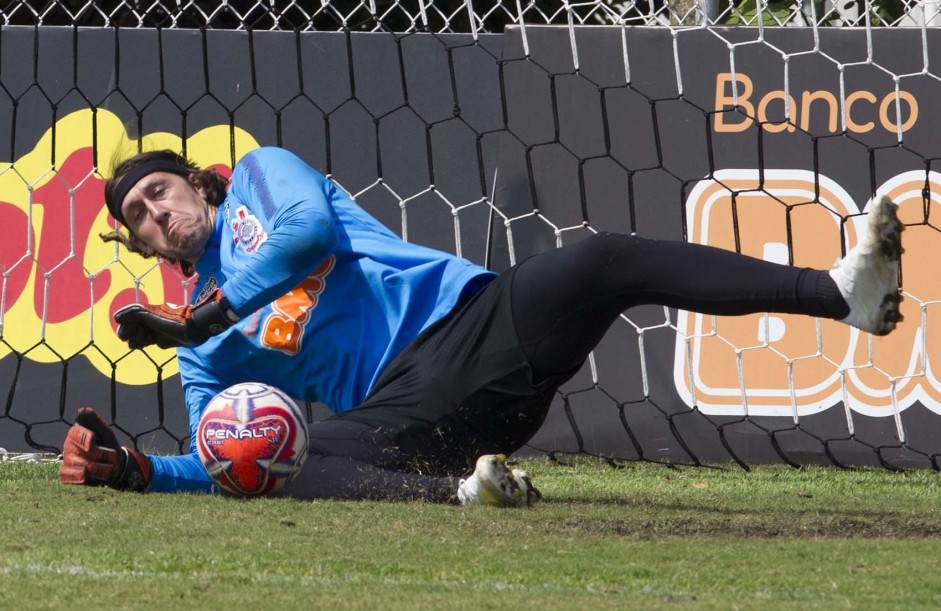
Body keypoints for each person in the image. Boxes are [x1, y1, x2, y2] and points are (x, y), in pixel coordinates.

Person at [58, 146, 904, 506]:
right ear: (141, 246)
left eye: (160, 191)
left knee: (597, 261)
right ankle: (469, 495)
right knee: (297, 467)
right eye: (138, 216)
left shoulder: (255, 178)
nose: (156, 213)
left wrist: (205, 313)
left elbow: (309, 233)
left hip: (476, 328)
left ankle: (839, 293)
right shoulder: (197, 344)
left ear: (197, 187)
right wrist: (133, 468)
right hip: (412, 415)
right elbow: (226, 456)